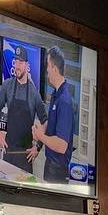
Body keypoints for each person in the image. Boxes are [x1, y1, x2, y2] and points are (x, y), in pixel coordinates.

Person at [0, 45, 46, 173]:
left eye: (21, 62)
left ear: (27, 65)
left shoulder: (34, 93)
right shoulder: (8, 85)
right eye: (16, 61)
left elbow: (45, 120)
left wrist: (38, 147)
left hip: (25, 155)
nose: (17, 65)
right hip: (8, 150)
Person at [32, 45, 77, 184]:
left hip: (58, 170)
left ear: (55, 68)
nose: (46, 70)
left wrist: (40, 136)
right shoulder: (55, 94)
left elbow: (62, 146)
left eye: (48, 66)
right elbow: (49, 125)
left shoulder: (64, 101)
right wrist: (38, 145)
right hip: (50, 164)